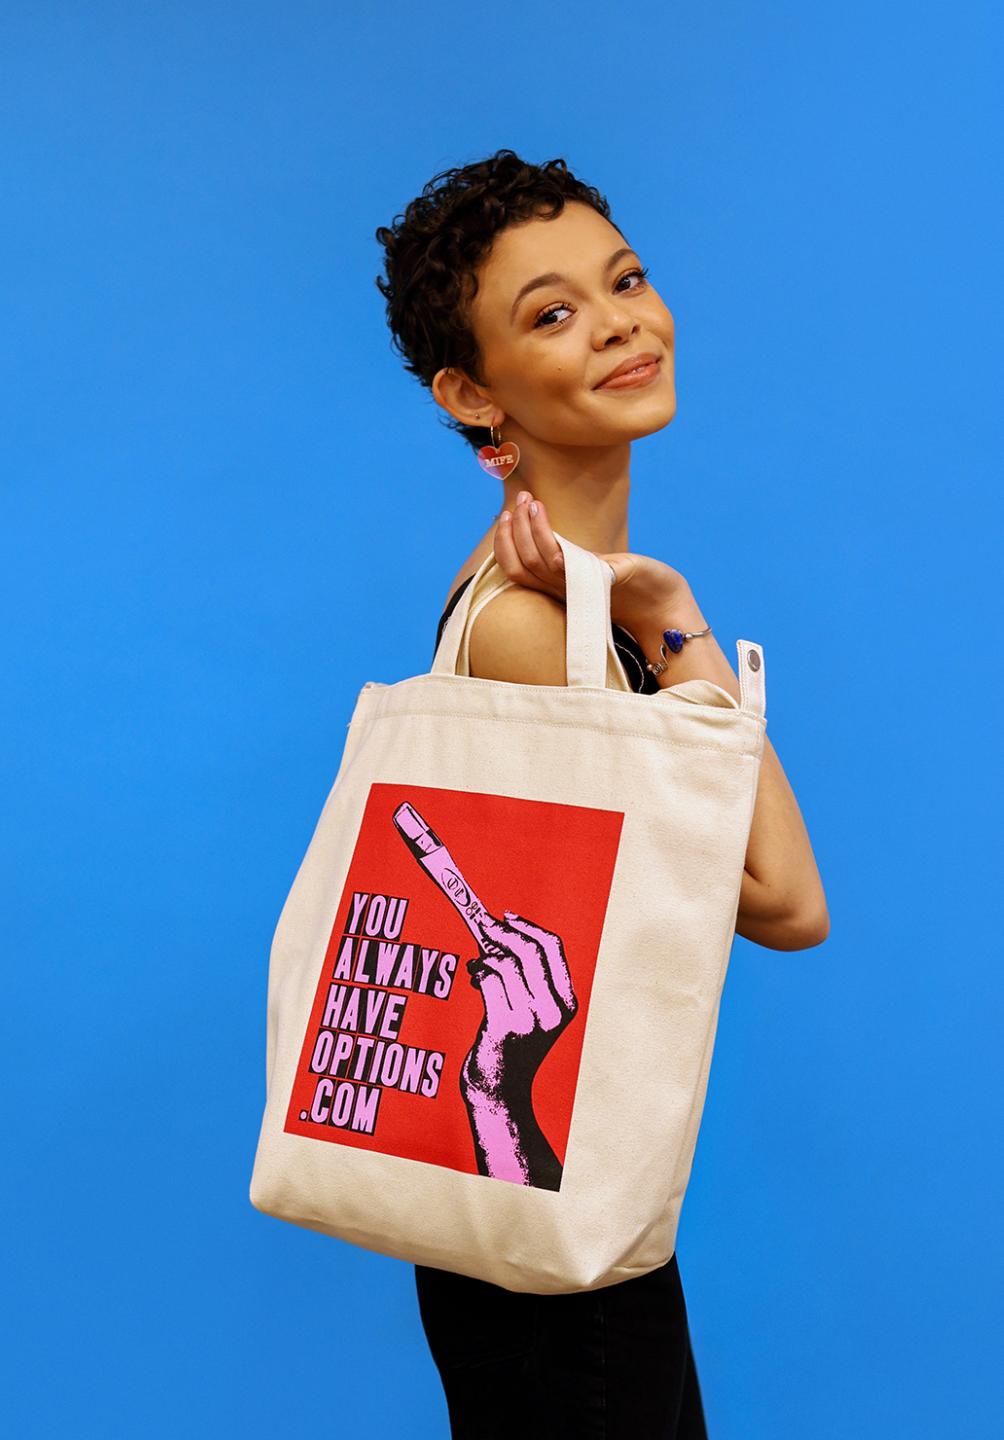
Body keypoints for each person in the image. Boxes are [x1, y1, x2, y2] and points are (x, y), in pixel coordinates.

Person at [375, 151, 829, 1440]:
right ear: (471, 394)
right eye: (553, 312)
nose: (623, 320)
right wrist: (680, 626)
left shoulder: (590, 610)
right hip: (555, 1263)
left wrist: (663, 612)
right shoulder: (532, 630)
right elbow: (789, 903)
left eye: (624, 280)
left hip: (555, 1228)